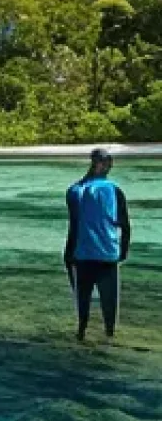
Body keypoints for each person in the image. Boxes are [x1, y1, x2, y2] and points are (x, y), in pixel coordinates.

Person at [64, 147, 131, 342]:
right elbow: (125, 226)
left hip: (81, 256)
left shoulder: (74, 191)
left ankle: (81, 337)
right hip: (108, 256)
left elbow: (74, 227)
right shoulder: (115, 191)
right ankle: (109, 339)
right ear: (107, 165)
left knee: (82, 306)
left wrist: (68, 257)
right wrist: (123, 252)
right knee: (109, 306)